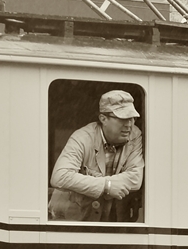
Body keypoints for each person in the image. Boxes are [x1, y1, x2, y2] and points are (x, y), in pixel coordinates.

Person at [49, 90, 144, 221]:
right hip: (75, 220)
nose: (129, 124)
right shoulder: (82, 137)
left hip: (111, 220)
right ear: (103, 119)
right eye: (122, 119)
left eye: (132, 118)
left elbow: (135, 179)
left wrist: (93, 181)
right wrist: (107, 186)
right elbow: (59, 177)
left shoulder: (134, 134)